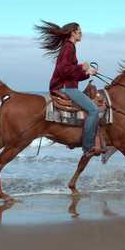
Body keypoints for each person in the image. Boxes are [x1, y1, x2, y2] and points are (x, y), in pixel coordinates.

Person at [35, 20, 101, 156]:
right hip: (65, 88)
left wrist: (87, 72)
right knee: (94, 110)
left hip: (67, 85)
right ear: (73, 33)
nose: (82, 34)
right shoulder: (68, 47)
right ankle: (88, 146)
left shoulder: (69, 47)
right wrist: (83, 67)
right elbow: (64, 70)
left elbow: (72, 74)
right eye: (79, 32)